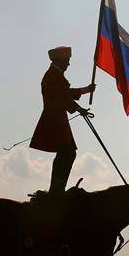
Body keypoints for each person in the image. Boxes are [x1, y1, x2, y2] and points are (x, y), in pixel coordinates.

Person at [29, 46, 95, 196]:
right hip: (54, 121)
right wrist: (79, 109)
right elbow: (62, 97)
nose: (68, 64)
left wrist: (86, 90)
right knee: (67, 153)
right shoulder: (52, 75)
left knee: (67, 153)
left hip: (58, 119)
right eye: (67, 61)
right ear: (60, 61)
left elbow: (65, 94)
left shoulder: (55, 75)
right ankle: (56, 190)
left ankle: (57, 189)